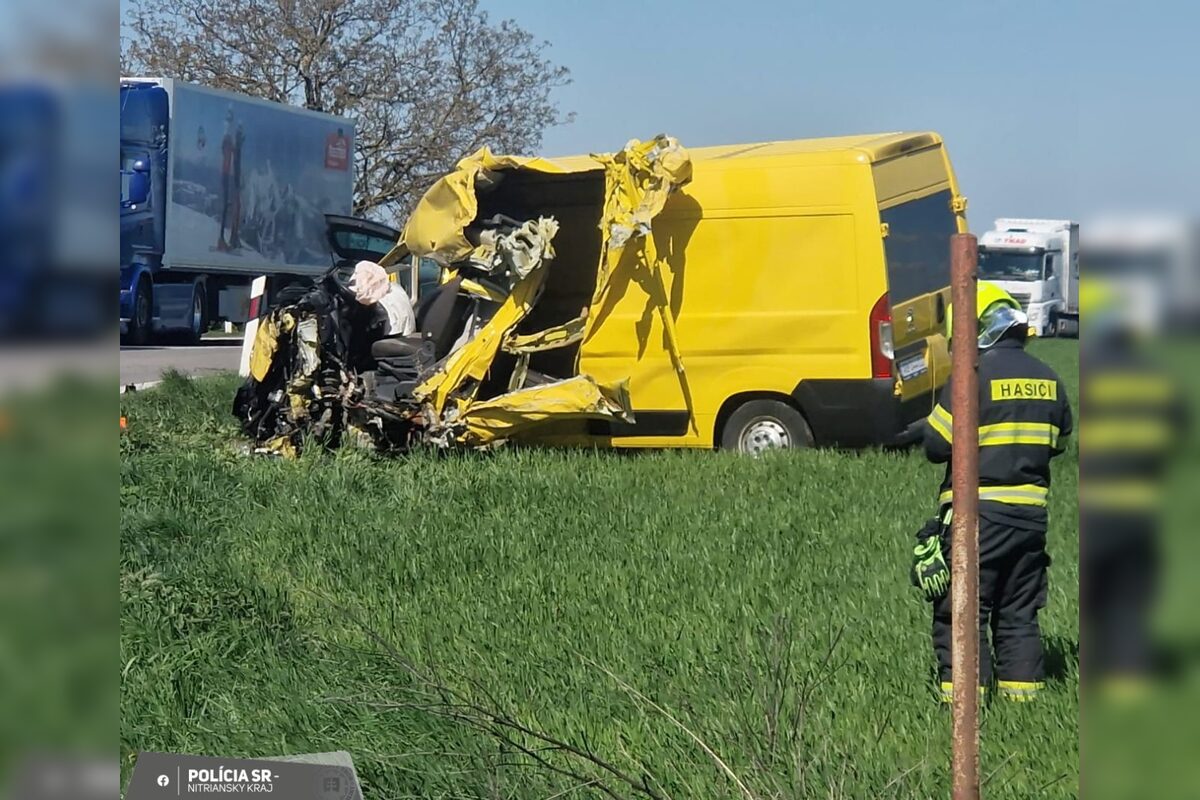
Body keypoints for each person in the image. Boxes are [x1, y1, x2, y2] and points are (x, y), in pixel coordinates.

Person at [911, 281, 1074, 703]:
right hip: (1030, 521)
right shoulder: (1051, 380)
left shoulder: (973, 378)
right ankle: (1023, 706)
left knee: (962, 614)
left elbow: (935, 446)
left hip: (977, 517)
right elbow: (1058, 443)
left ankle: (962, 707)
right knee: (1018, 614)